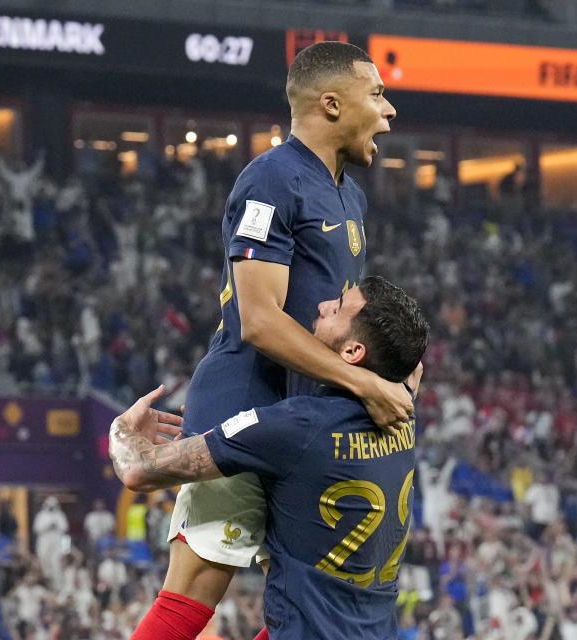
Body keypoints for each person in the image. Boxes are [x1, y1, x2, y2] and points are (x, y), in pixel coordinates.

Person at [129, 41, 414, 640]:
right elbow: (259, 320)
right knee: (191, 600)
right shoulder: (271, 180)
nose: (389, 112)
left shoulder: (351, 195)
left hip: (309, 421)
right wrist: (363, 382)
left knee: (311, 607)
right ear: (330, 104)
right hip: (245, 404)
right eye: (378, 94)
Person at [110, 277, 430, 639]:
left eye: (338, 309)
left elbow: (137, 471)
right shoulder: (403, 411)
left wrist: (122, 430)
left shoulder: (293, 427)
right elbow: (413, 366)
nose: (323, 305)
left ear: (354, 352)